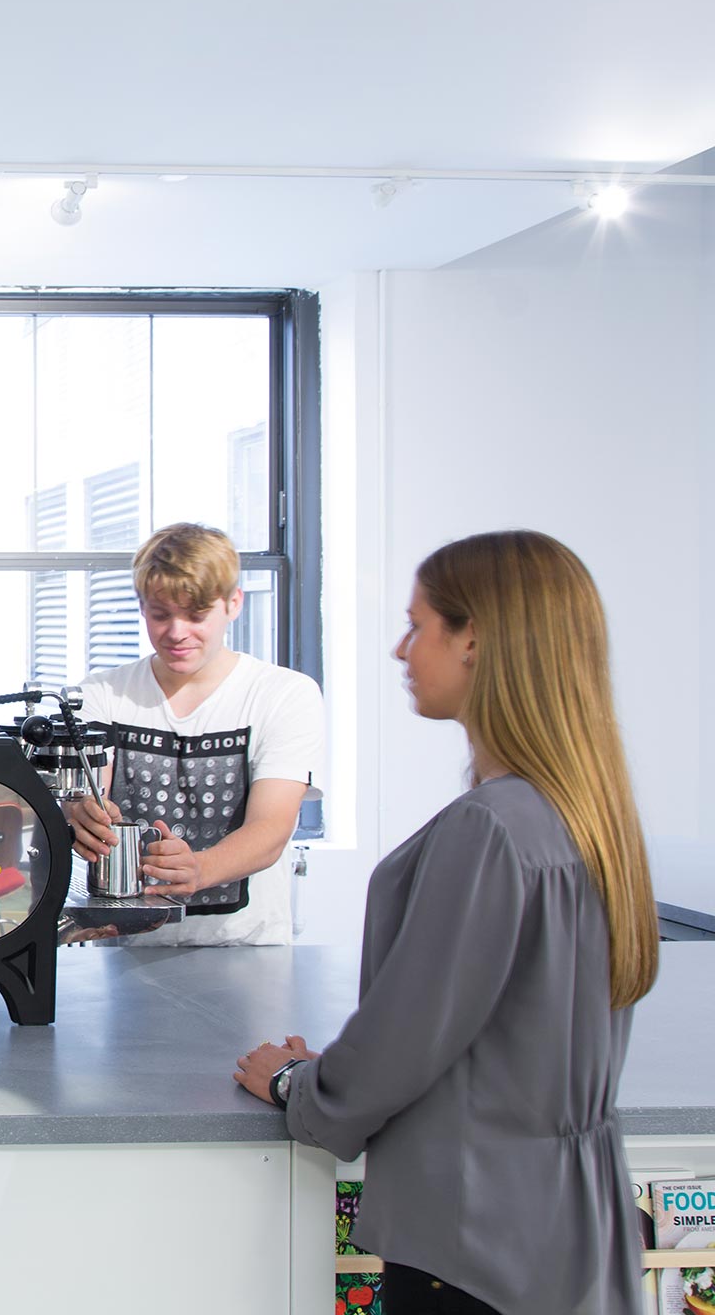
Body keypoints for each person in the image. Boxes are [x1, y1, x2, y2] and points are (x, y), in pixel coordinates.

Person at [234, 530, 655, 1315]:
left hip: (471, 1242)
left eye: (418, 624)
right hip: (569, 1227)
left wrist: (300, 1085)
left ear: (476, 641)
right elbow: (500, 1035)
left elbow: (404, 1042)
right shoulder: (590, 817)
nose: (401, 649)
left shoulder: (489, 829)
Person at [63, 523, 324, 944]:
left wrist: (199, 869)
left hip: (245, 945)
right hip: (123, 949)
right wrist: (79, 815)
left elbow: (271, 829)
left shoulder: (284, 694)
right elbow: (87, 795)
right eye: (160, 614)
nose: (177, 632)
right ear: (142, 607)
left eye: (196, 615)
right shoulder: (102, 693)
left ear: (233, 603)